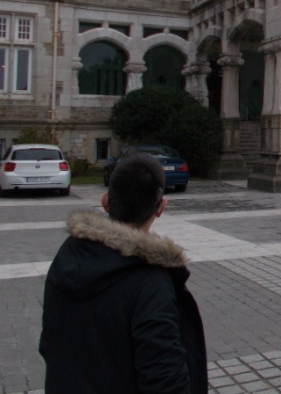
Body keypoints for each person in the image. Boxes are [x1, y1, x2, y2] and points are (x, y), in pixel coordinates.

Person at [39, 152, 207, 393]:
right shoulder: (150, 282)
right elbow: (166, 380)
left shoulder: (68, 255)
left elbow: (49, 344)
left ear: (105, 201)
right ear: (161, 208)